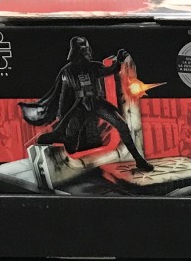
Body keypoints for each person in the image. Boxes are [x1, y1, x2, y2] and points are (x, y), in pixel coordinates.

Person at [19, 37, 152, 172]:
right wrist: (61, 116)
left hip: (96, 102)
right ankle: (58, 138)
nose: (86, 52)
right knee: (71, 144)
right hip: (80, 106)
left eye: (86, 49)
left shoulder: (93, 66)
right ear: (76, 51)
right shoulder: (67, 71)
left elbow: (111, 70)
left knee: (122, 126)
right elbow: (63, 94)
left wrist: (119, 60)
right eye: (83, 50)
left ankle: (139, 160)